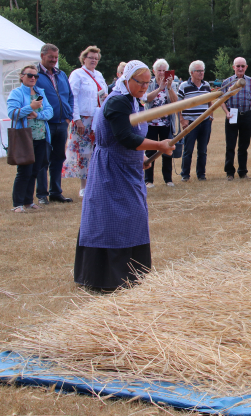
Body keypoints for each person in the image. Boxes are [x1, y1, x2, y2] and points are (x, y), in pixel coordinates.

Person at [74, 61, 174, 292]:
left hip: (128, 167)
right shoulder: (117, 101)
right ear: (127, 79)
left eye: (147, 83)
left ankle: (133, 273)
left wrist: (140, 159)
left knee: (133, 215)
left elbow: (129, 140)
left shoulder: (131, 100)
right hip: (111, 170)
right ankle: (108, 277)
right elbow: (125, 137)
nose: (144, 87)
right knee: (111, 217)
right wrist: (158, 144)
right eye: (140, 82)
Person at [7, 65, 53, 213]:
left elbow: (49, 111)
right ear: (22, 76)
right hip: (25, 137)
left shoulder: (40, 93)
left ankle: (28, 201)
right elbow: (13, 113)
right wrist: (30, 107)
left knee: (35, 170)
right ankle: (18, 203)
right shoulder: (16, 93)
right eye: (29, 75)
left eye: (35, 76)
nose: (33, 78)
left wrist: (37, 115)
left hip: (41, 136)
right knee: (24, 171)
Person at [63, 46, 108, 197]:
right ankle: (84, 186)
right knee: (84, 153)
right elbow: (73, 97)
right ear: (84, 59)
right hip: (83, 119)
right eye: (91, 58)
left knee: (97, 151)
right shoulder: (77, 74)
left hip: (97, 118)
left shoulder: (99, 75)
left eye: (96, 58)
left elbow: (103, 97)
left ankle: (96, 182)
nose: (94, 60)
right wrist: (76, 119)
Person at [35, 43, 75, 204]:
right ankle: (42, 194)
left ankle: (56, 191)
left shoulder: (61, 75)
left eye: (56, 57)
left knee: (59, 158)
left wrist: (68, 115)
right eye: (51, 57)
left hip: (62, 122)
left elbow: (70, 96)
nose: (53, 60)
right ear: (42, 56)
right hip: (45, 123)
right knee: (43, 159)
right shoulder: (35, 75)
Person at [221, 57, 251, 180]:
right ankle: (229, 172)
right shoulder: (227, 82)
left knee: (244, 146)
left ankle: (243, 172)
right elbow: (221, 100)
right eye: (238, 66)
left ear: (246, 67)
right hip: (232, 114)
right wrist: (227, 112)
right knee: (230, 145)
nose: (240, 68)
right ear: (233, 67)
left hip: (247, 115)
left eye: (242, 66)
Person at [144, 58, 180, 187]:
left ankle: (168, 179)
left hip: (166, 123)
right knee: (150, 151)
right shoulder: (149, 83)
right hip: (151, 123)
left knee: (167, 150)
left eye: (164, 70)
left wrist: (169, 87)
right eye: (159, 70)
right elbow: (146, 99)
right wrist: (160, 88)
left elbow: (175, 102)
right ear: (154, 71)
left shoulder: (173, 84)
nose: (161, 73)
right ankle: (148, 180)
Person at [177, 60, 214, 182]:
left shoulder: (206, 85)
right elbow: (178, 105)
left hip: (205, 122)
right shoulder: (183, 86)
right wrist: (182, 120)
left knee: (202, 150)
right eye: (198, 71)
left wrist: (210, 116)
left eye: (202, 70)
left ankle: (201, 174)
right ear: (192, 72)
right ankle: (185, 174)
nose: (201, 73)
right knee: (188, 149)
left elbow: (210, 102)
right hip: (190, 122)